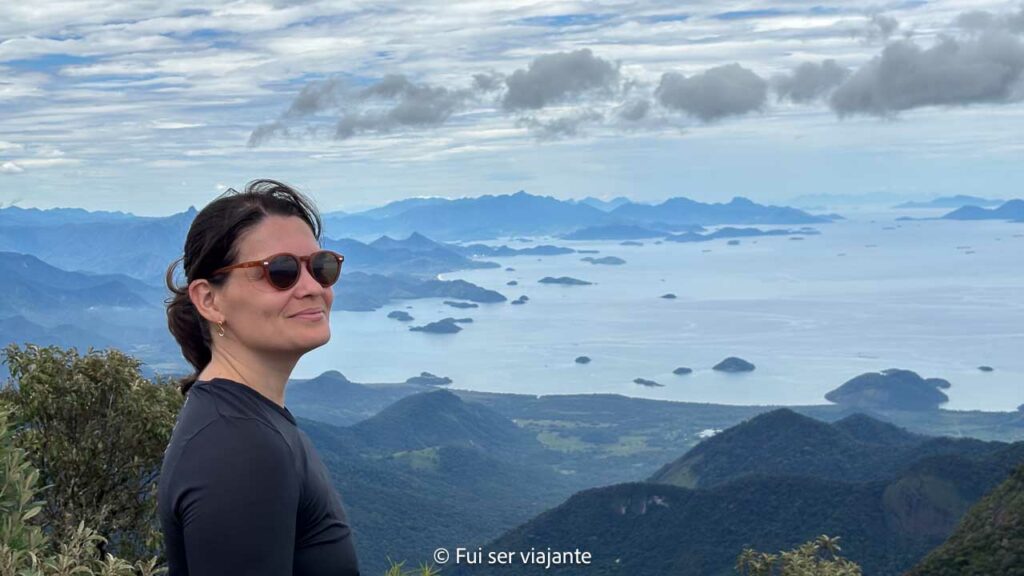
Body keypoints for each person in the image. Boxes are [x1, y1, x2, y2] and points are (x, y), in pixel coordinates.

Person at [159, 179, 360, 576]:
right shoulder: (239, 449)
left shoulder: (244, 423)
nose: (311, 288)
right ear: (209, 300)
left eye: (321, 267)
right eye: (281, 271)